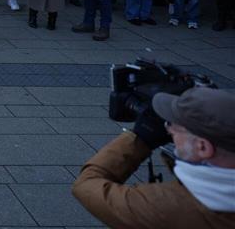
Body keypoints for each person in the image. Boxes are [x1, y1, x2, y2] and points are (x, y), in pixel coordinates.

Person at [72, 87, 235, 229]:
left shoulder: (166, 206)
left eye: (174, 126)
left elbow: (87, 184)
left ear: (203, 147)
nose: (169, 130)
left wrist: (140, 138)